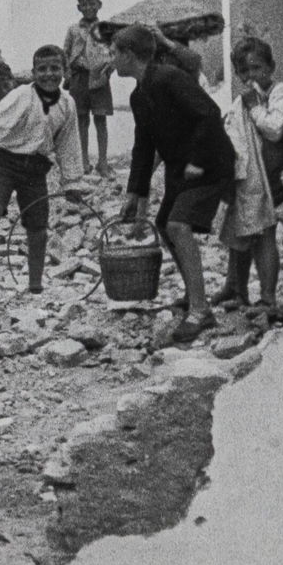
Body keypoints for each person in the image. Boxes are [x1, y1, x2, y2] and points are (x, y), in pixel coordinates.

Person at [111, 24, 237, 343]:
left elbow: (209, 113)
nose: (111, 60)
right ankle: (193, 294)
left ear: (128, 54)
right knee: (165, 225)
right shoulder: (139, 95)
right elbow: (144, 145)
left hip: (209, 164)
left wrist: (196, 159)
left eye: (114, 53)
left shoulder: (169, 77)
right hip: (182, 170)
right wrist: (134, 192)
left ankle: (200, 311)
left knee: (179, 225)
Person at [0, 46, 87, 294]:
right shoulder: (22, 95)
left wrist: (72, 182)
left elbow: (69, 144)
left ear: (64, 71)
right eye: (42, 69)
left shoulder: (67, 104)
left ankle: (35, 282)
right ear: (34, 71)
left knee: (37, 226)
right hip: (4, 162)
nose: (49, 74)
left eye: (55, 68)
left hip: (35, 170)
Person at [212, 37, 283, 326]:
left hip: (269, 179)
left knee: (264, 235)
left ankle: (269, 298)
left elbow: (274, 130)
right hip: (246, 178)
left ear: (271, 67)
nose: (251, 77)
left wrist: (255, 106)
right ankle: (236, 289)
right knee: (239, 231)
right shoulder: (244, 99)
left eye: (257, 68)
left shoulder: (277, 93)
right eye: (244, 73)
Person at [62, 0, 115, 176]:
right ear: (79, 7)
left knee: (100, 119)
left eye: (92, 3)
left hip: (99, 78)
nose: (88, 7)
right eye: (84, 4)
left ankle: (103, 162)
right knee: (81, 120)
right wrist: (68, 75)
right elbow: (65, 54)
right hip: (79, 78)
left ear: (99, 4)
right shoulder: (73, 30)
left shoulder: (106, 29)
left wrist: (107, 72)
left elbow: (114, 52)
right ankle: (83, 161)